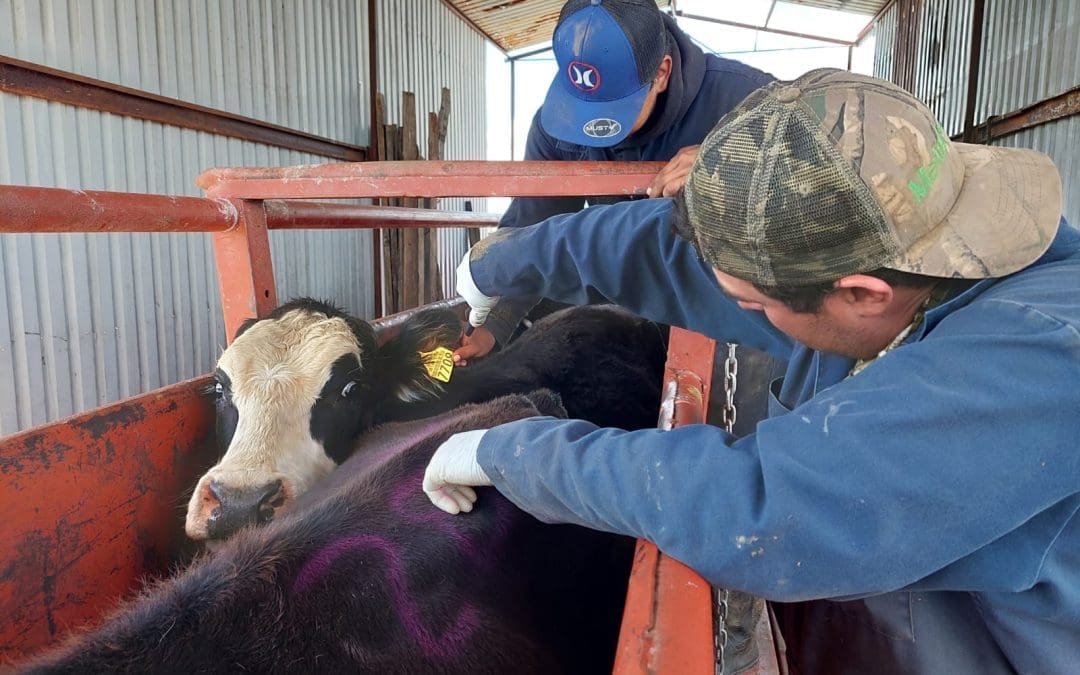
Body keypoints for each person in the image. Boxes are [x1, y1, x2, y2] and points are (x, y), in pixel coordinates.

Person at [424, 68, 1080, 673]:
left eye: (753, 304)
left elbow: (769, 509)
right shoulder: (907, 251)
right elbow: (672, 256)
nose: (739, 312)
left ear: (860, 294)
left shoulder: (1039, 361)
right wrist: (500, 265)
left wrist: (514, 450)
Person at [454, 0, 774, 364]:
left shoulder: (747, 102)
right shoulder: (557, 128)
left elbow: (832, 166)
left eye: (614, 110)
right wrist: (494, 321)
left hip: (728, 310)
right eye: (585, 109)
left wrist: (733, 159)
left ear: (662, 73)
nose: (595, 134)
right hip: (630, 299)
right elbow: (533, 221)